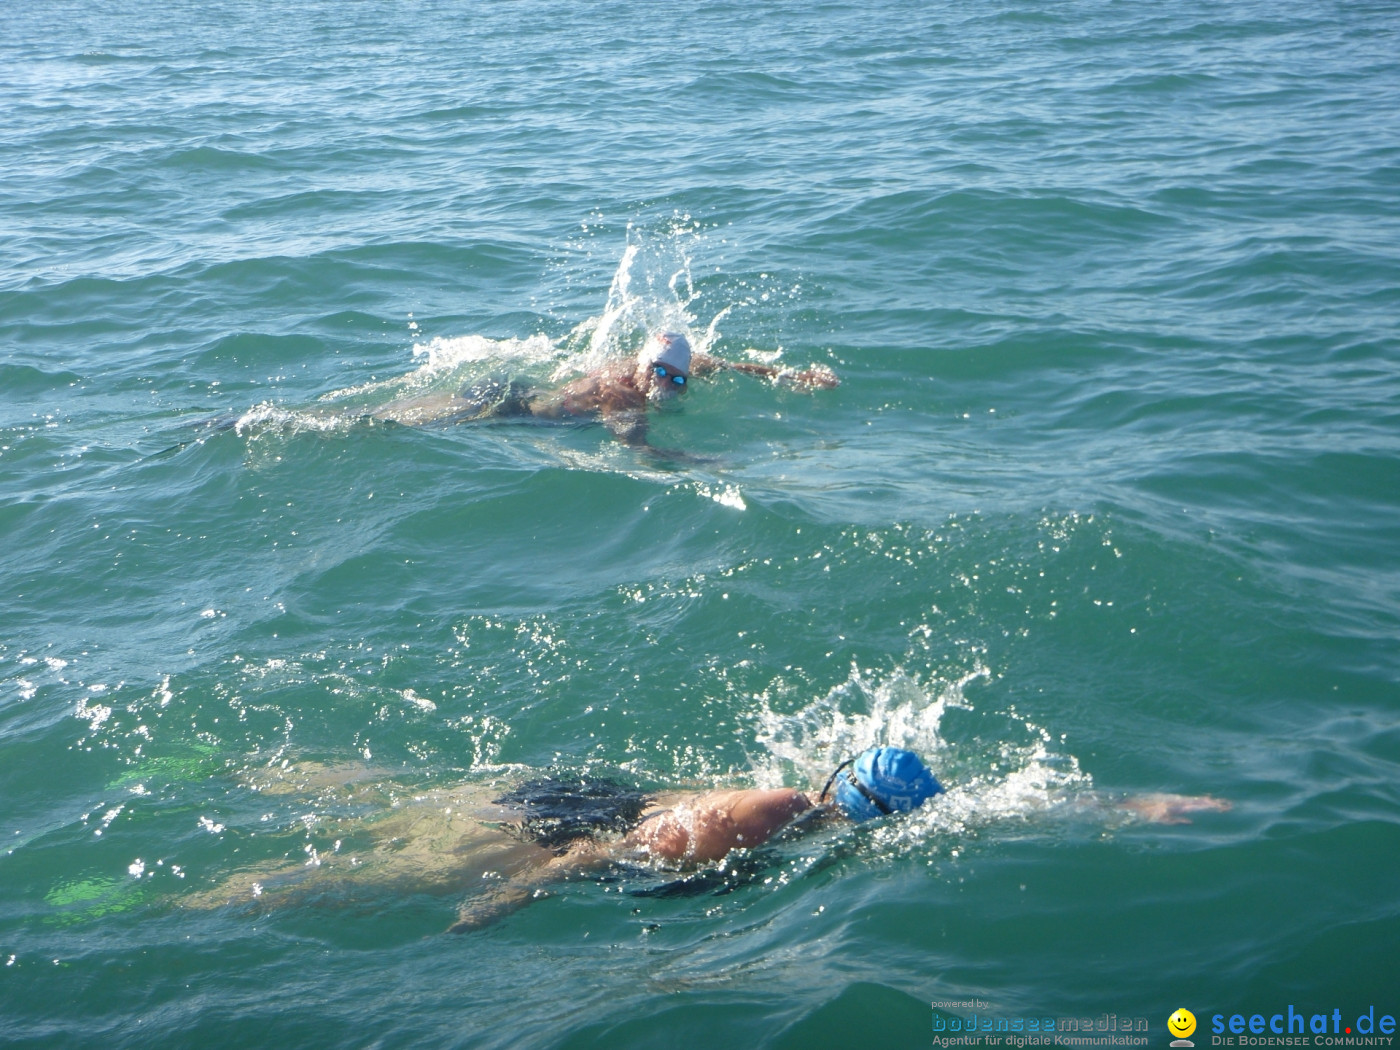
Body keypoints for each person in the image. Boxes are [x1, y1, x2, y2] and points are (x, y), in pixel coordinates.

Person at [371, 332, 840, 451]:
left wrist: (793, 376)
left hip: (527, 388)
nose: (666, 387)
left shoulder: (686, 365)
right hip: (512, 408)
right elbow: (640, 450)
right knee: (399, 421)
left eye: (676, 379)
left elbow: (728, 365)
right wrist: (700, 463)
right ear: (640, 369)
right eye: (658, 375)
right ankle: (340, 425)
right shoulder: (622, 397)